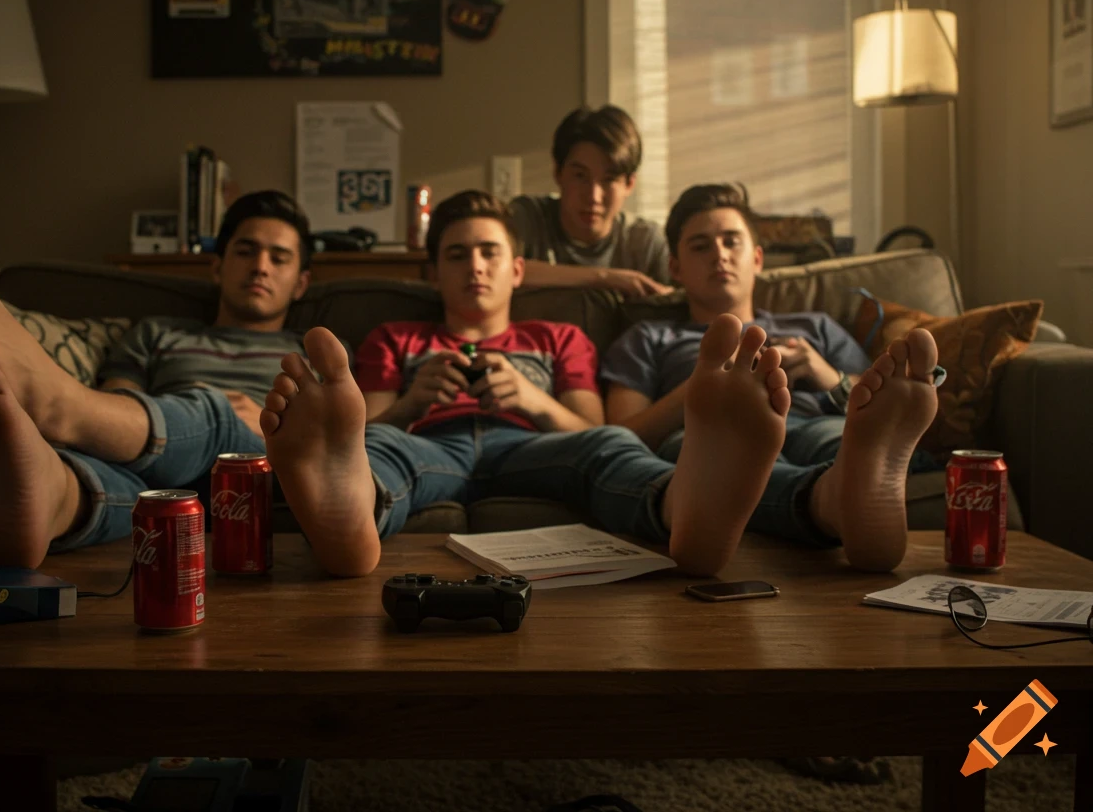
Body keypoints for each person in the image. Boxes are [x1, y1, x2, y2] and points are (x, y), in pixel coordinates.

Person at [258, 189, 931, 579]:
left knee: (611, 451)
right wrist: (412, 399)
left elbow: (596, 428)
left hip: (531, 444)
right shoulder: (396, 337)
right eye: (456, 255)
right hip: (427, 441)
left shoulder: (558, 338)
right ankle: (350, 512)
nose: (474, 267)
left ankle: (687, 511)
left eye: (489, 252)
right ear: (432, 273)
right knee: (377, 453)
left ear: (518, 270)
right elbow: (371, 422)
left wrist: (529, 399)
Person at [0, 190, 314, 568]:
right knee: (140, 489)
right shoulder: (159, 333)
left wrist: (256, 428)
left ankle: (58, 403)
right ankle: (53, 497)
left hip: (257, 464)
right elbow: (117, 396)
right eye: (246, 251)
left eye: (279, 258)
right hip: (161, 457)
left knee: (215, 417)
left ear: (300, 283)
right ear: (217, 265)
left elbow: (332, 443)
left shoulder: (314, 351)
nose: (261, 266)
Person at [601, 183, 942, 573]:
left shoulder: (815, 327)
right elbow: (626, 432)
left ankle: (853, 479)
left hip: (817, 419)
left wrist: (824, 373)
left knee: (837, 436)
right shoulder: (649, 337)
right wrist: (701, 391)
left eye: (732, 242)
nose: (719, 255)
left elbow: (877, 393)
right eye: (700, 246)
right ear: (674, 268)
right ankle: (833, 498)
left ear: (758, 258)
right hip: (710, 436)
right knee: (723, 456)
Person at [510, 105, 672, 298]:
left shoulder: (644, 241)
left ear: (629, 184)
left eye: (609, 179)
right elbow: (499, 271)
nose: (593, 196)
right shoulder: (528, 218)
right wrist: (605, 277)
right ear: (558, 174)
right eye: (580, 176)